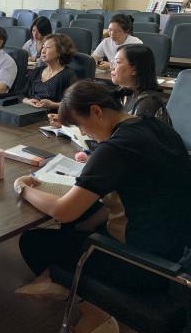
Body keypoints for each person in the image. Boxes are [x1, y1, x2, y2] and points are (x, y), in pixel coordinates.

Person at [15, 80, 191, 332]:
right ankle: (58, 283)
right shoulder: (157, 127)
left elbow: (63, 211)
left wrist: (23, 188)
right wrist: (85, 224)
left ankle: (95, 312)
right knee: (80, 221)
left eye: (80, 125)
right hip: (176, 250)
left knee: (33, 242)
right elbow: (134, 197)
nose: (84, 133)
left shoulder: (115, 149)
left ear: (96, 111)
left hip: (141, 265)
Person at [111, 44, 170, 122]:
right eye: (114, 62)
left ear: (135, 70)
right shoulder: (123, 92)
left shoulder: (148, 103)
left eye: (118, 62)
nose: (112, 67)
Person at [22, 34, 76, 111]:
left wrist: (53, 105)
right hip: (28, 111)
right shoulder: (37, 71)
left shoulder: (68, 75)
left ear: (60, 51)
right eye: (43, 47)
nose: (43, 51)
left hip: (51, 115)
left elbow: (73, 103)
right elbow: (22, 94)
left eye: (48, 47)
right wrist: (28, 101)